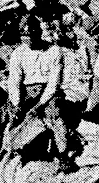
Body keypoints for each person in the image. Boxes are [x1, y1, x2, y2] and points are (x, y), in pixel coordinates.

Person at [4, 14, 74, 162]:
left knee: (55, 114)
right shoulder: (18, 53)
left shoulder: (54, 51)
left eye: (31, 34)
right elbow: (14, 81)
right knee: (12, 118)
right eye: (24, 35)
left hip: (48, 92)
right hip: (26, 91)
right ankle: (11, 149)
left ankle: (64, 154)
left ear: (38, 32)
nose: (28, 38)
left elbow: (53, 83)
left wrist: (39, 105)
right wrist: (17, 104)